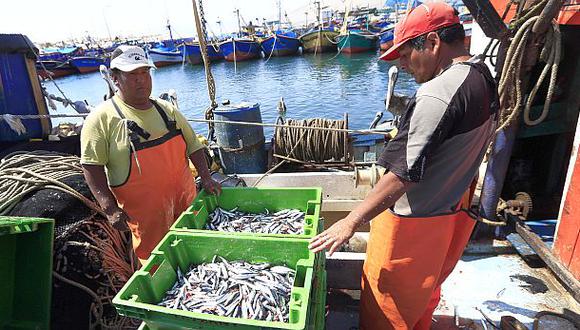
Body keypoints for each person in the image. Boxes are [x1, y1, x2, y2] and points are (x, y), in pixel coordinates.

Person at [309, 3, 499, 329]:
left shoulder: (437, 95)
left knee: (387, 313)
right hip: (445, 224)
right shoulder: (482, 78)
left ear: (433, 43)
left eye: (405, 53)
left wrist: (351, 221)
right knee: (423, 304)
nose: (400, 64)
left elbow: (403, 173)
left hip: (409, 234)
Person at [81, 45, 221, 264]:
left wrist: (205, 176)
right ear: (115, 79)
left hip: (186, 203)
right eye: (132, 74)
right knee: (157, 264)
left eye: (145, 72)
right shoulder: (101, 119)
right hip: (146, 220)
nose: (141, 80)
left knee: (200, 254)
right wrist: (109, 208)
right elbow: (91, 166)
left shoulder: (167, 109)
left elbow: (194, 145)